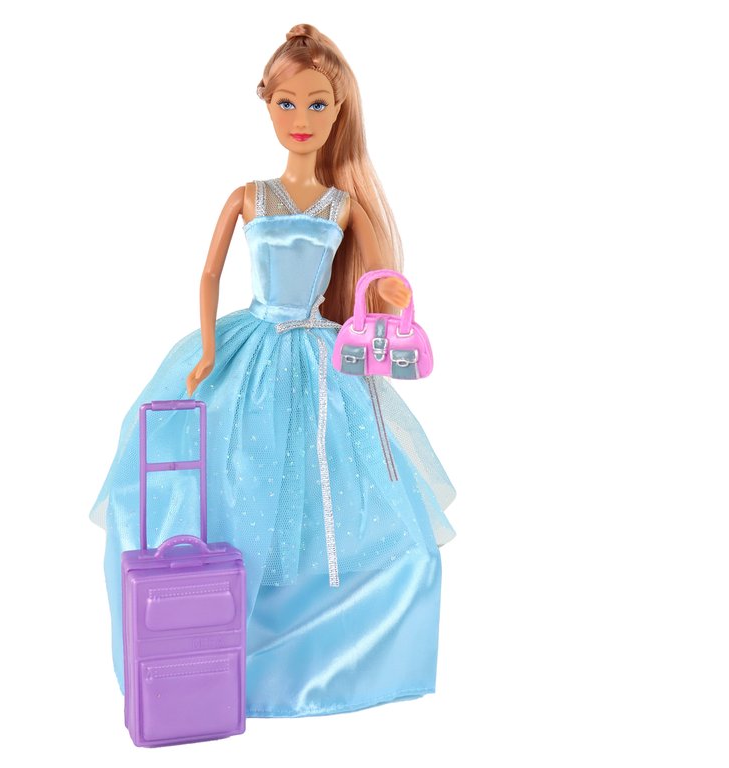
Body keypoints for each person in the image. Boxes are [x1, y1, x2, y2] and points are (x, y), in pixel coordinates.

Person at [90, 23, 456, 717]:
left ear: (339, 111)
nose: (301, 119)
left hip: (319, 357)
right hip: (249, 347)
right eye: (286, 103)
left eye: (317, 104)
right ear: (266, 104)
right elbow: (207, 274)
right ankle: (207, 629)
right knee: (235, 477)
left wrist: (391, 302)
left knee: (329, 488)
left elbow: (378, 281)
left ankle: (319, 651)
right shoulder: (248, 195)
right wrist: (206, 349)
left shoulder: (344, 206)